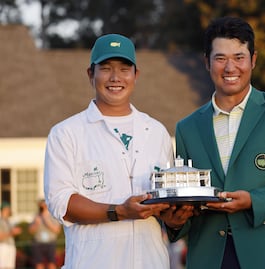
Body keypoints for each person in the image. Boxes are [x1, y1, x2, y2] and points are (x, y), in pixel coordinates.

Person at [160, 16, 265, 269]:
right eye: (220, 58)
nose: (230, 67)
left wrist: (254, 200)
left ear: (253, 60)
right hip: (209, 256)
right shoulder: (186, 128)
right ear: (207, 62)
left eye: (239, 57)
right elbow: (188, 198)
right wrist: (175, 222)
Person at [43, 33, 174, 269]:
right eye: (105, 68)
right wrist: (120, 211)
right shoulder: (66, 133)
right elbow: (61, 203)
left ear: (136, 75)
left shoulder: (157, 132)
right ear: (90, 74)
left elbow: (169, 198)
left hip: (152, 262)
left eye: (125, 68)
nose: (115, 77)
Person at [29, 199, 61, 269]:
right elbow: (31, 231)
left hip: (50, 242)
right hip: (38, 242)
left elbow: (57, 230)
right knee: (38, 263)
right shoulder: (36, 216)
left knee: (51, 263)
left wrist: (46, 220)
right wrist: (36, 224)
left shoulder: (53, 215)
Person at [0, 202, 22, 269]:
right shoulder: (1, 221)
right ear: (4, 209)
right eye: (8, 209)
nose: (9, 210)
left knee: (10, 266)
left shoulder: (9, 221)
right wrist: (12, 233)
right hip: (3, 246)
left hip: (11, 246)